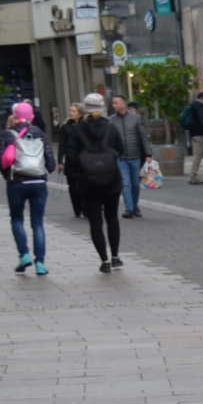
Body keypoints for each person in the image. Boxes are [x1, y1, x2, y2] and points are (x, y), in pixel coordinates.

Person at [0, 101, 55, 276]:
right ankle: (40, 263)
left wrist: (8, 175)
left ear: (15, 116)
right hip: (38, 183)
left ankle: (24, 255)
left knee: (17, 219)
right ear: (32, 116)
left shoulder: (8, 134)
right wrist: (42, 170)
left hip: (17, 182)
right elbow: (51, 163)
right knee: (37, 222)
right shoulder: (40, 134)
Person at [73, 93, 126, 273]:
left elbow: (72, 156)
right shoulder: (110, 127)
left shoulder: (78, 129)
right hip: (111, 180)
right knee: (112, 218)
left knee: (95, 222)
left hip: (87, 182)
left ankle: (104, 261)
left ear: (85, 108)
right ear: (102, 108)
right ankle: (116, 256)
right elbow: (121, 149)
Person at [107, 94, 152, 217]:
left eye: (116, 103)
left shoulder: (135, 118)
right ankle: (129, 208)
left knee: (135, 183)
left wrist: (148, 153)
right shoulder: (111, 120)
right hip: (120, 157)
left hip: (135, 155)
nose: (113, 105)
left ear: (123, 104)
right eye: (113, 103)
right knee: (125, 182)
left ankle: (135, 205)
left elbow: (143, 137)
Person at [57, 102, 85, 217]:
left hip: (83, 160)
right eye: (70, 110)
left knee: (84, 186)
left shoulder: (85, 125)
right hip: (71, 159)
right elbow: (62, 144)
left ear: (80, 113)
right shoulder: (66, 127)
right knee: (73, 187)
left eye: (74, 111)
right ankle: (77, 209)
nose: (71, 113)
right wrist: (60, 160)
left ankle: (85, 208)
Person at [183, 89, 203, 184]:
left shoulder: (193, 106)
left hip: (195, 134)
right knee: (198, 156)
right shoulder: (200, 107)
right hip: (199, 135)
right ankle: (192, 177)